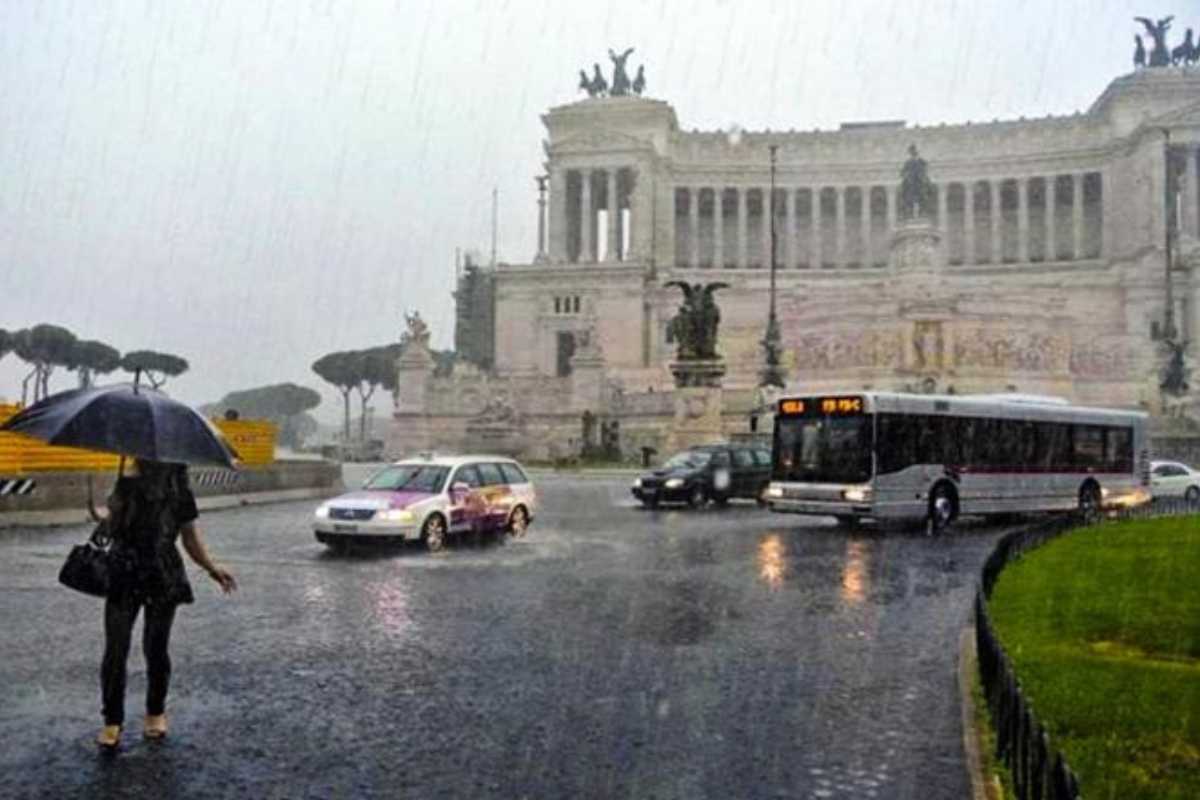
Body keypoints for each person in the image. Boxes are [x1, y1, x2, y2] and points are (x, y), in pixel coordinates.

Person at [93, 460, 237, 749]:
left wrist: (211, 567)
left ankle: (155, 712)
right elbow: (110, 529)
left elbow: (189, 537)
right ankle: (112, 720)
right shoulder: (125, 482)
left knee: (155, 647)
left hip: (162, 573)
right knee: (116, 648)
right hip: (124, 570)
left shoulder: (180, 491)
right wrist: (104, 513)